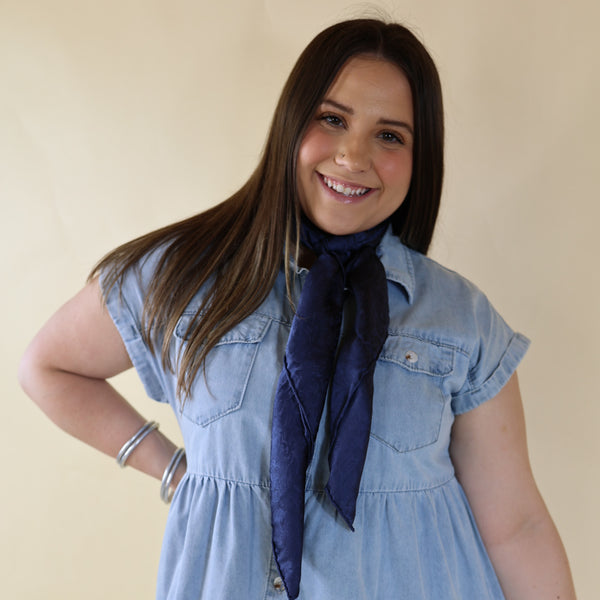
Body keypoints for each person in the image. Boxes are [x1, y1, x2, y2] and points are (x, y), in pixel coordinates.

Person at [18, 18, 576, 600]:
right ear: (292, 122)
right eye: (332, 119)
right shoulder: (182, 275)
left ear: (419, 157)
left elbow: (517, 526)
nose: (353, 155)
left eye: (391, 136)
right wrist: (171, 470)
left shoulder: (459, 317)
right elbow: (48, 367)